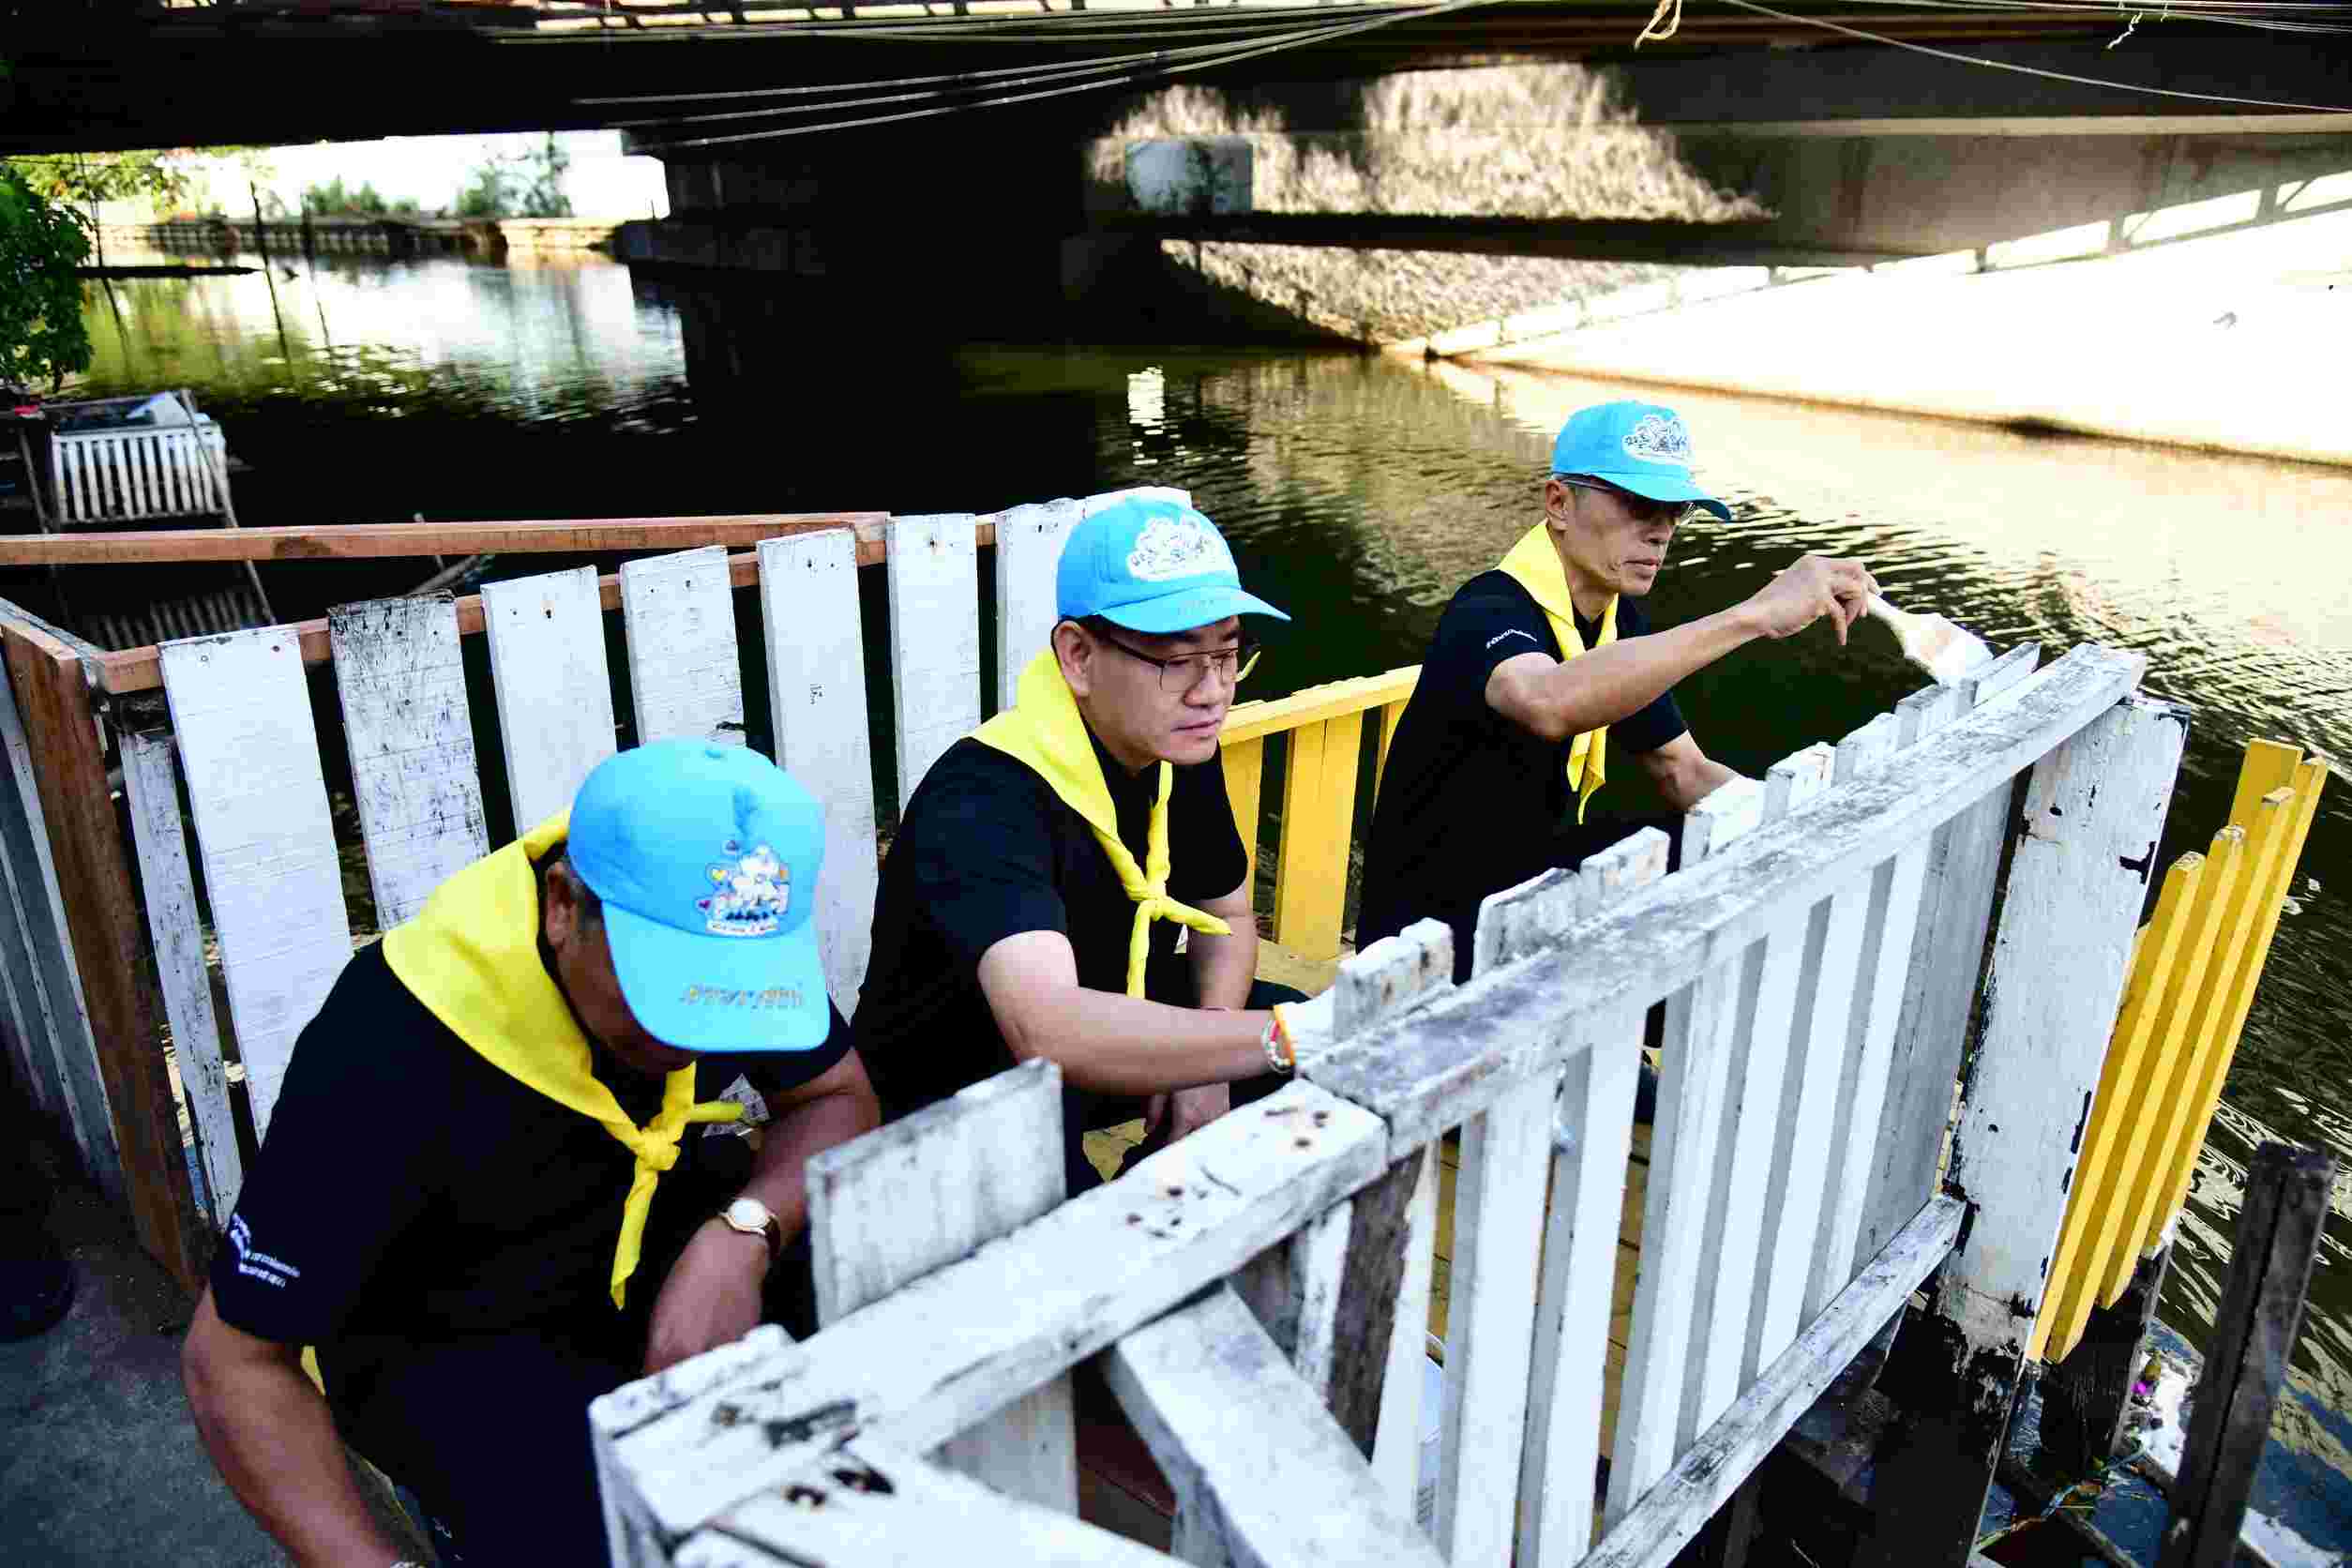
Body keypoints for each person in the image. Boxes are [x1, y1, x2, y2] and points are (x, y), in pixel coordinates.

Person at [181, 741, 879, 1566]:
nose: (700, 1033)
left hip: (663, 1256)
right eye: (668, 991)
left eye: (734, 995)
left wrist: (744, 1233)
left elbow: (836, 1097)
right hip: (463, 1348)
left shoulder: (719, 921)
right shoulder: (387, 1050)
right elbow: (232, 1362)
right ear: (560, 906)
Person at [855, 494, 1301, 1197]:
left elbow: (1230, 914)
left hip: (1098, 1017)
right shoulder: (981, 798)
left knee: (1277, 1043)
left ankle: (1157, 1174)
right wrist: (1274, 1037)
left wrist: (1211, 1052)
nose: (1212, 692)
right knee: (1075, 1223)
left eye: (1227, 653)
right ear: (1078, 656)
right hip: (966, 1081)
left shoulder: (1175, 747)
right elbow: (1049, 1029)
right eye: (1177, 660)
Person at [1359, 400, 1878, 981]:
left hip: (1523, 907)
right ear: (1559, 503)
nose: (1660, 532)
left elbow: (1682, 771)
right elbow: (1546, 702)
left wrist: (1817, 822)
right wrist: (1752, 615)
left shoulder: (1617, 620)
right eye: (1637, 505)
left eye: (1675, 511)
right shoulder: (1487, 609)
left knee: (1697, 846)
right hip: (1423, 942)